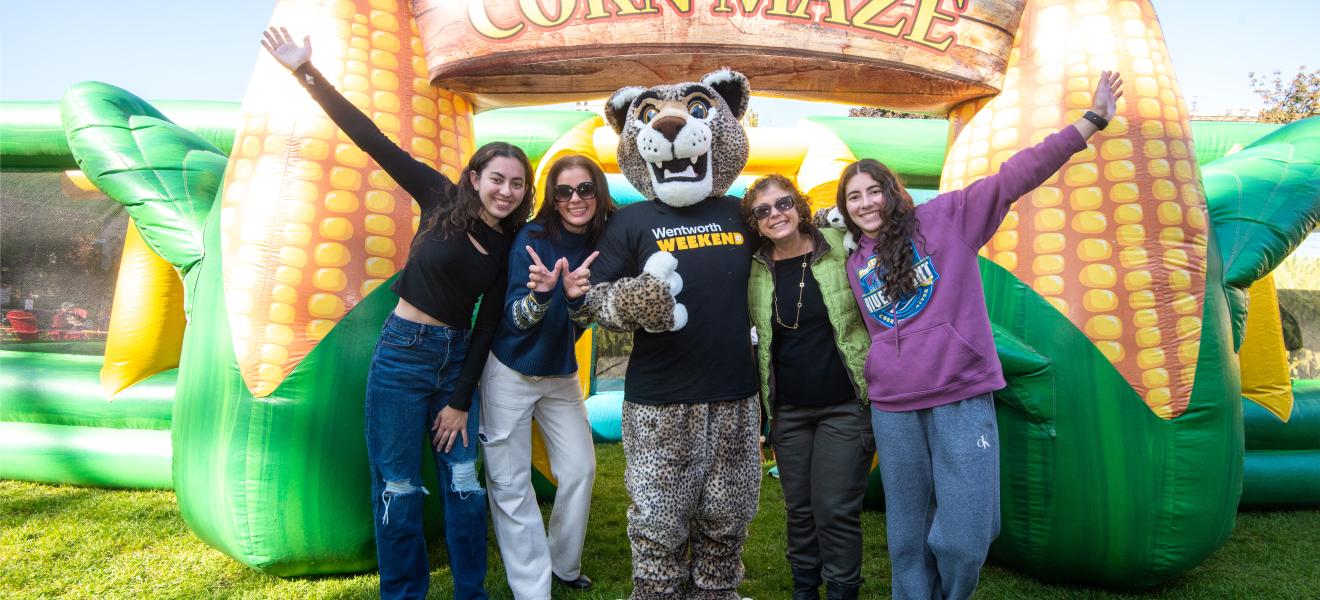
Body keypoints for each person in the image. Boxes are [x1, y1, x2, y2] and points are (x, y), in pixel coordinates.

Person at [262, 27, 535, 600]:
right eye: (497, 179)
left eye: (517, 184)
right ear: (475, 179)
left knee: (464, 485)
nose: (506, 191)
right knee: (400, 486)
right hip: (403, 356)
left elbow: (487, 323)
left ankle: (471, 592)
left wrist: (461, 399)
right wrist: (305, 71)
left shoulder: (512, 244)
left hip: (457, 361)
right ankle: (403, 593)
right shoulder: (438, 198)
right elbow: (371, 138)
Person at [838, 72, 1124, 600]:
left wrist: (1091, 122)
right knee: (905, 535)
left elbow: (1016, 175)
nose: (865, 203)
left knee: (968, 535)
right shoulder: (856, 261)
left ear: (892, 192)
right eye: (854, 197)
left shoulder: (947, 218)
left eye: (874, 190)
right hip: (894, 405)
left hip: (959, 395)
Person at [478, 155, 615, 598]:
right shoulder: (532, 240)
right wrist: (540, 296)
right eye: (564, 191)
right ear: (553, 199)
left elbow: (588, 315)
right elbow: (516, 320)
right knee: (510, 482)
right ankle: (531, 588)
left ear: (598, 192)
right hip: (510, 370)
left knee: (580, 468)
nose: (576, 199)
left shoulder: (606, 240)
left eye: (585, 189)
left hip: (559, 372)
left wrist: (576, 301)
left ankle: (563, 562)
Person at [742, 175, 872, 600]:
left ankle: (842, 590)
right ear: (755, 223)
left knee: (834, 509)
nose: (775, 214)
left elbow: (875, 228)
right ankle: (804, 589)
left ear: (798, 206)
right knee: (800, 509)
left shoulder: (838, 244)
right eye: (763, 211)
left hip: (845, 406)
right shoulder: (755, 269)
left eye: (782, 204)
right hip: (790, 411)